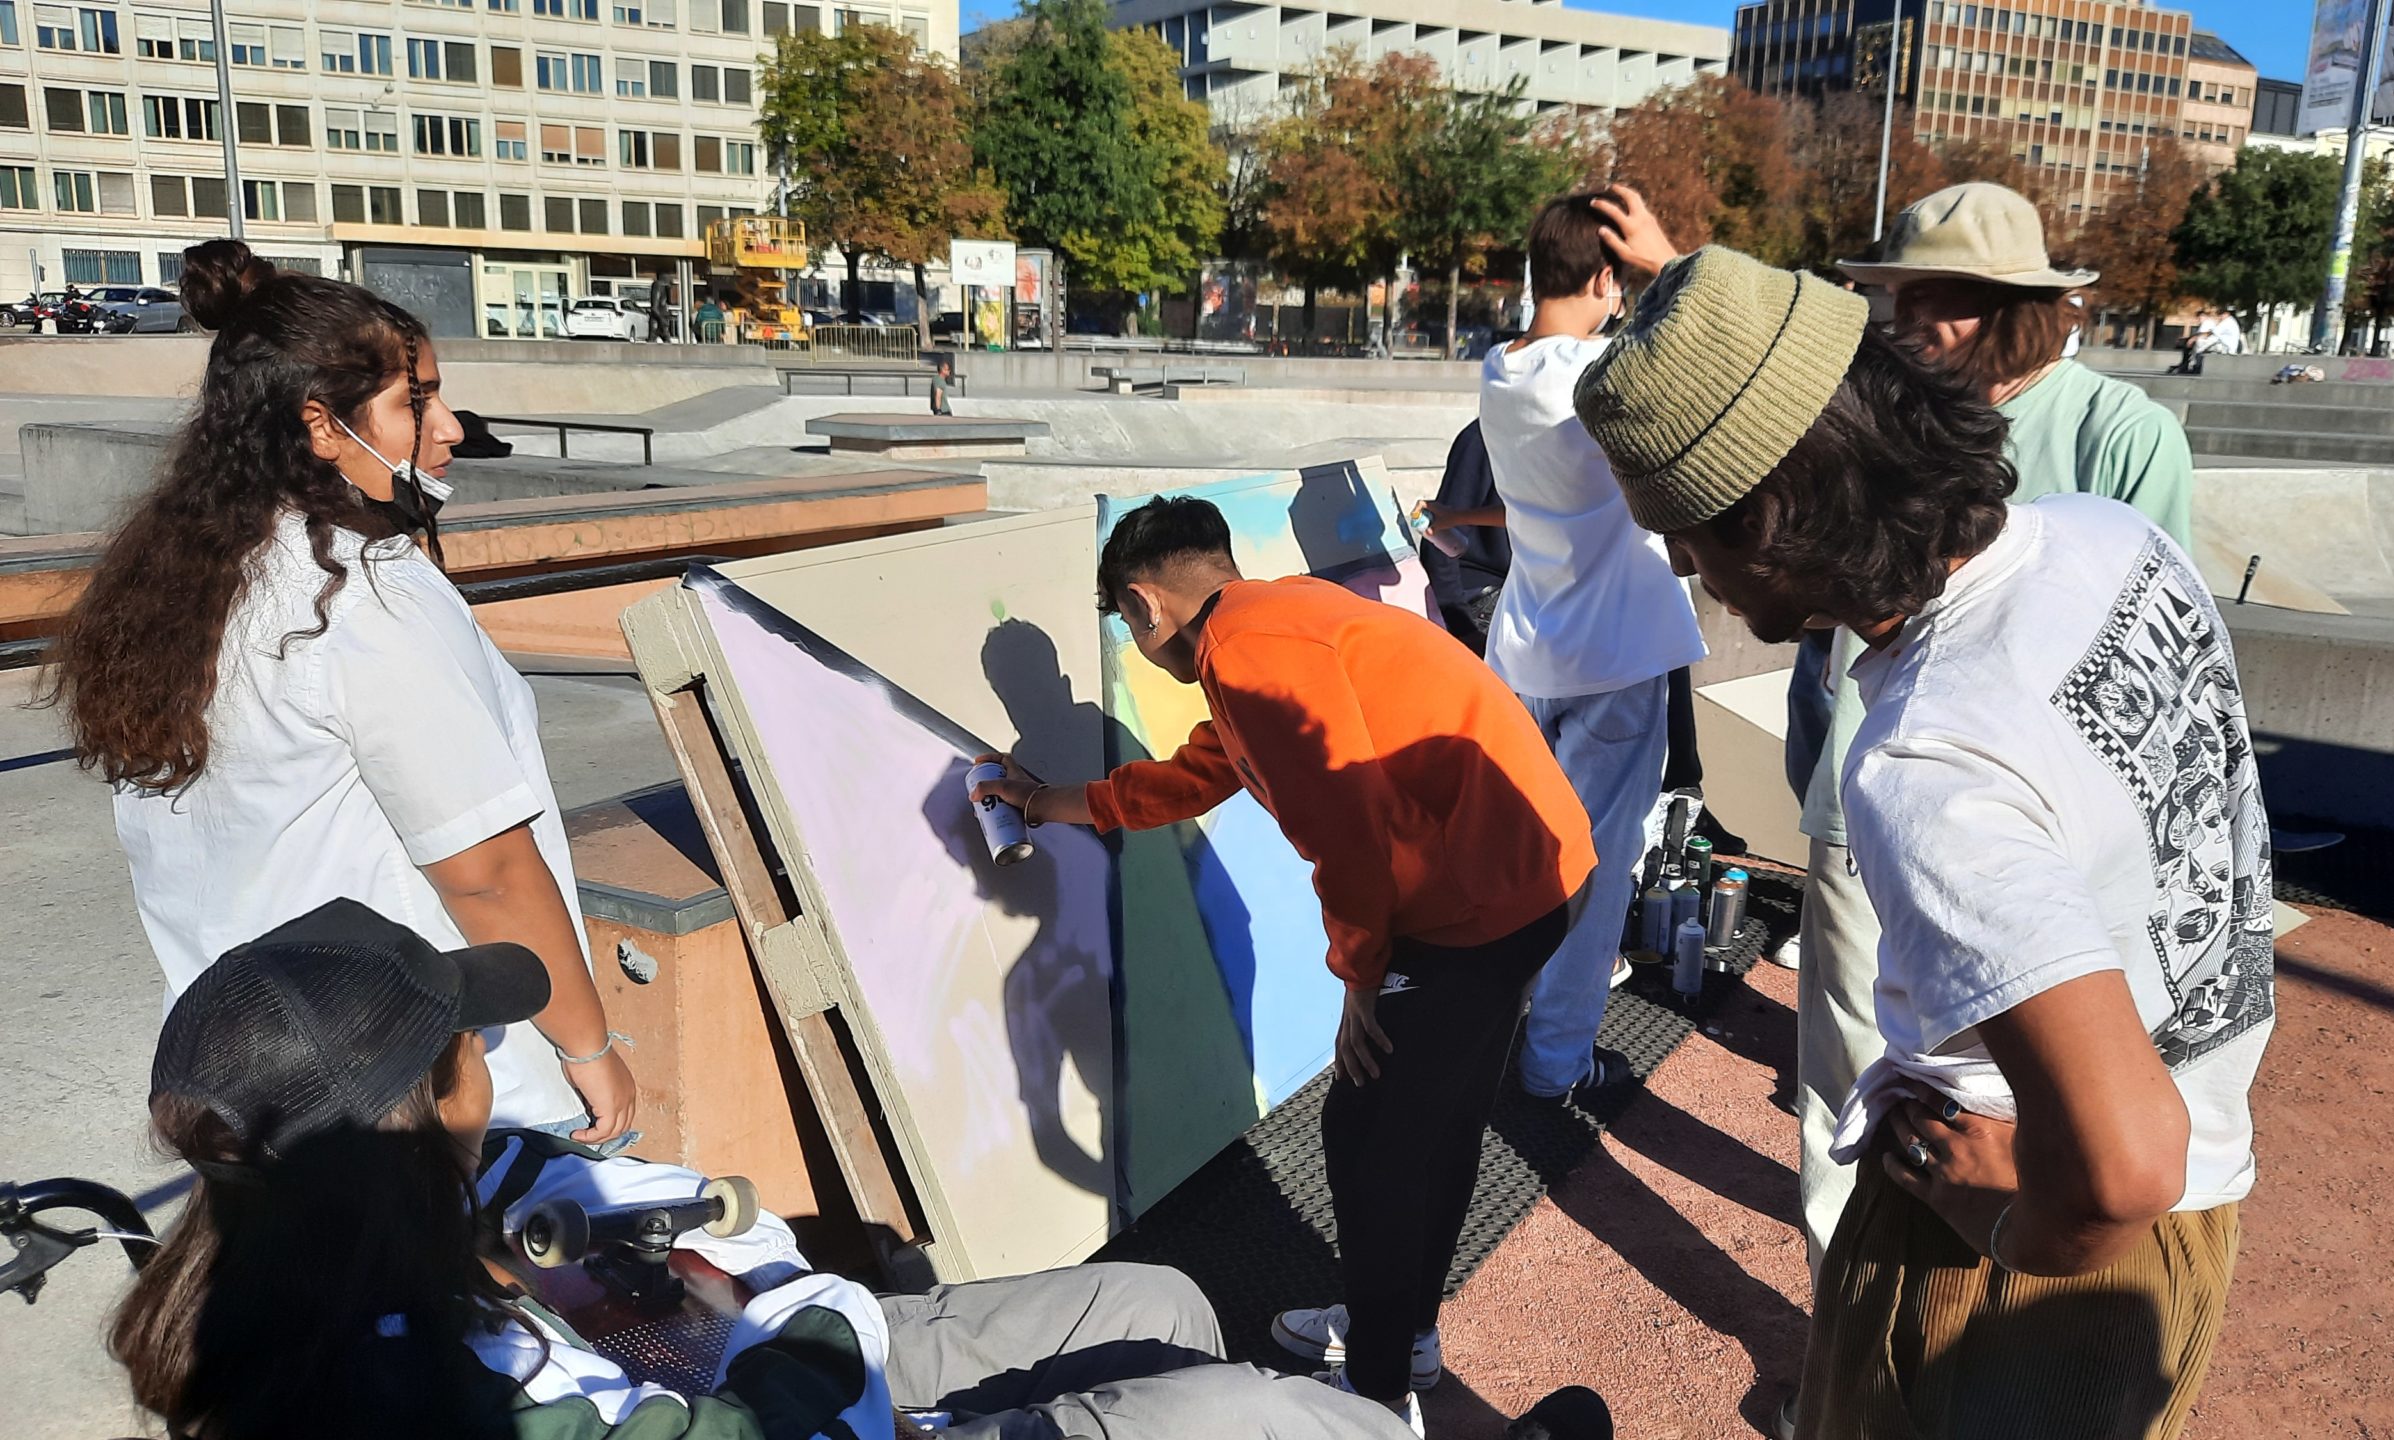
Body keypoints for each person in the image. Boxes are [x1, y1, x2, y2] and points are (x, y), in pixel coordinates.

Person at [1574, 241, 2271, 1440]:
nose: (1688, 566)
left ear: (1770, 520)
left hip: (2012, 1257)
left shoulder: (1921, 760)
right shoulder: (2107, 538)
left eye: (1687, 532)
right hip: (2205, 1185)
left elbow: (2119, 1166)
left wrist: (2012, 1229)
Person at [111, 898, 1438, 1440]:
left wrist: (711, 1279)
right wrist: (731, 1310)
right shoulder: (434, 1387)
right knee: (1259, 1416)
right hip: (824, 1399)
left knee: (1158, 1299)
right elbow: (749, 1387)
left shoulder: (448, 1195)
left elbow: (704, 1232)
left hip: (821, 1354)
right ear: (418, 1105)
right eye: (471, 1043)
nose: (494, 1061)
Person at [971, 496, 1596, 1432]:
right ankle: (1404, 1328)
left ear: (1145, 608)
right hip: (1532, 872)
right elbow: (1188, 779)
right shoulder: (1271, 624)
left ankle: (1383, 1394)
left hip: (1481, 901)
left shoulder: (1253, 661)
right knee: (1433, 1118)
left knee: (1370, 1136)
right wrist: (1046, 801)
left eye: (1121, 623)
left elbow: (1351, 839)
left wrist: (1360, 984)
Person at [40, 239, 634, 1144]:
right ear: (323, 425)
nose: (450, 429)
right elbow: (487, 872)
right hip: (407, 1081)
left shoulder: (180, 582)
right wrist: (589, 1050)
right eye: (416, 401)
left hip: (239, 1066)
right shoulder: (364, 601)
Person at [1419, 192, 1704, 1102]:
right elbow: (1718, 370)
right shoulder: (1609, 376)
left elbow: (1552, 495)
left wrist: (1459, 514)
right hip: (1616, 655)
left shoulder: (1498, 372)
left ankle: (1496, 1029)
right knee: (1597, 869)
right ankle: (1554, 1066)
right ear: (1608, 278)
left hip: (1528, 648)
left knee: (1523, 860)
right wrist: (1676, 273)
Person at [1415, 421, 1510, 655]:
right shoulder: (1482, 438)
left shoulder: (1571, 438)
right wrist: (1460, 625)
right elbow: (1439, 537)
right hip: (1483, 590)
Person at [2174, 305, 2247, 374]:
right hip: (2225, 344)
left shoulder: (2227, 322)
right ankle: (2191, 364)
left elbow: (2211, 332)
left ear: (2226, 314)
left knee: (2199, 342)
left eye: (2221, 314)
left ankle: (2196, 365)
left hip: (2226, 347)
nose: (2220, 317)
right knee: (2200, 342)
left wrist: (2193, 339)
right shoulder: (2230, 321)